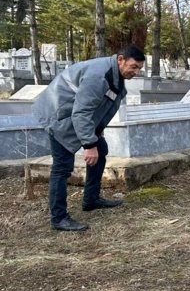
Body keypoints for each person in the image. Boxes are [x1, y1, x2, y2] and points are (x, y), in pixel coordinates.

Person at [34, 45, 146, 232]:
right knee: (62, 167)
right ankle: (59, 218)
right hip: (58, 115)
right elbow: (82, 111)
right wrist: (88, 144)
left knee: (101, 150)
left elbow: (104, 103)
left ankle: (91, 199)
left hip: (73, 114)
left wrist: (98, 129)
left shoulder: (115, 74)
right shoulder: (98, 75)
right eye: (133, 67)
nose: (136, 72)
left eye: (139, 68)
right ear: (120, 60)